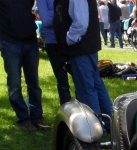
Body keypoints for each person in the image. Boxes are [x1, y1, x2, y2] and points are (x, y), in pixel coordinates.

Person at [54, 0, 113, 131]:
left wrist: (69, 39)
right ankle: (112, 125)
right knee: (96, 85)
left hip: (81, 48)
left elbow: (80, 23)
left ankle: (94, 128)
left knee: (86, 88)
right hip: (85, 47)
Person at [0, 0, 47, 131]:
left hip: (30, 41)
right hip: (9, 42)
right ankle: (24, 119)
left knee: (34, 84)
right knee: (15, 85)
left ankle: (37, 117)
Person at [36, 0, 72, 105]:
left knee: (79, 77)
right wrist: (65, 16)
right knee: (62, 80)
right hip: (54, 42)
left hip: (70, 40)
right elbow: (46, 21)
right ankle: (67, 109)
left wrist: (59, 15)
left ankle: (83, 110)